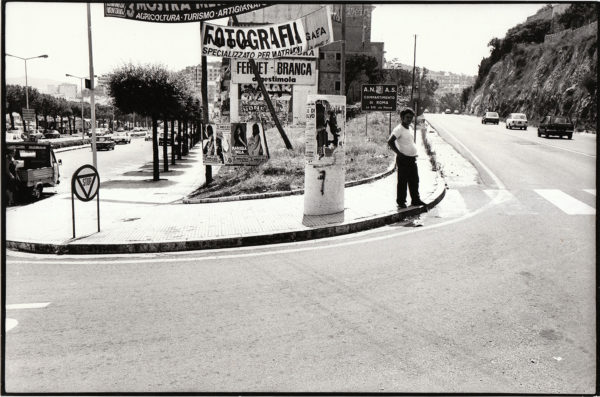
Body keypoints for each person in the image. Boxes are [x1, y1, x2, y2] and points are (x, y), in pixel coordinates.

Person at [387, 108, 427, 209]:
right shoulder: (399, 129)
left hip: (412, 159)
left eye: (411, 117)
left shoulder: (409, 127)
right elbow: (390, 141)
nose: (409, 119)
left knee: (414, 180)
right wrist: (399, 153)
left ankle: (415, 200)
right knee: (402, 181)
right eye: (407, 117)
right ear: (402, 118)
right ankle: (401, 202)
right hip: (403, 160)